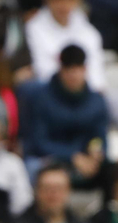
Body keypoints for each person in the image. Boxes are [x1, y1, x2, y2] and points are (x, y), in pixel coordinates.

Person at [24, 45, 109, 193]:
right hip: (51, 159)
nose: (73, 75)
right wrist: (72, 157)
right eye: (68, 70)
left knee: (113, 171)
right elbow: (39, 142)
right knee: (33, 168)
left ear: (85, 69)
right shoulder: (41, 99)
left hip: (85, 160)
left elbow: (99, 137)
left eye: (77, 69)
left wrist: (96, 154)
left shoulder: (96, 101)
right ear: (61, 70)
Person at [25, 0, 107, 89]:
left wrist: (94, 91)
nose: (63, 4)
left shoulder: (90, 32)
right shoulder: (34, 28)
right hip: (51, 90)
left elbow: (95, 70)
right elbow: (43, 69)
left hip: (85, 92)